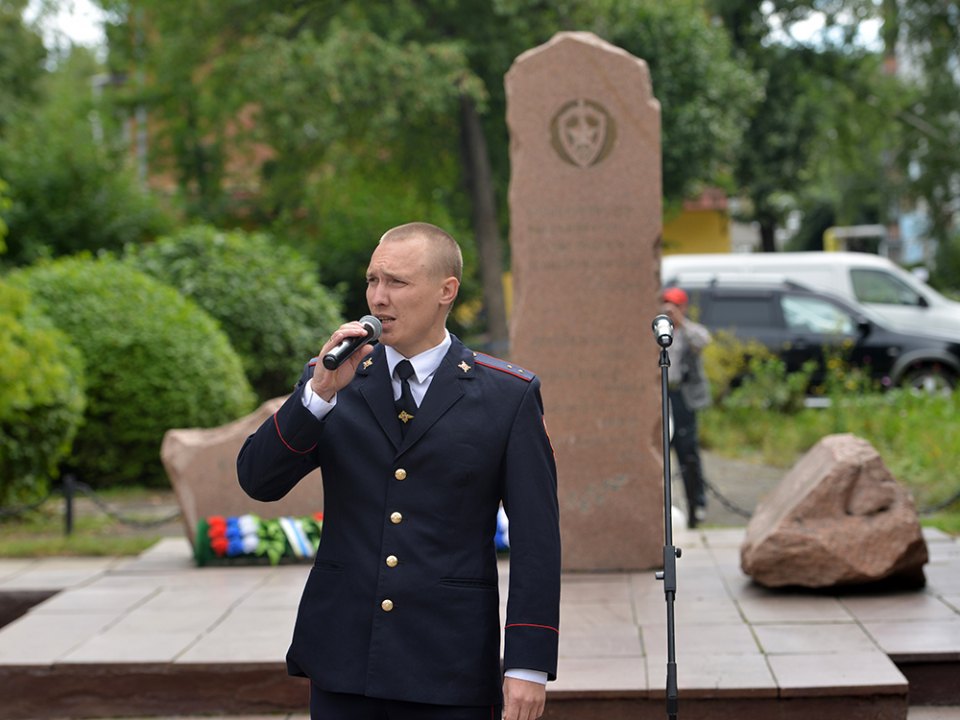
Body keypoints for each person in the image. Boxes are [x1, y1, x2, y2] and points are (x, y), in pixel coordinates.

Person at [237, 222, 561, 720]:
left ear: (445, 291)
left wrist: (528, 665)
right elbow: (258, 481)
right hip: (343, 657)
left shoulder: (506, 396)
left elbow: (538, 538)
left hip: (448, 661)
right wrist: (317, 396)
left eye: (397, 283)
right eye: (373, 281)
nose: (378, 298)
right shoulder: (334, 378)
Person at [662, 286, 712, 529]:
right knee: (661, 448)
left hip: (683, 395)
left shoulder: (689, 330)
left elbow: (703, 341)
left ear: (684, 307)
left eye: (675, 305)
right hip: (661, 394)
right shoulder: (658, 328)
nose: (670, 309)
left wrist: (680, 321)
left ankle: (697, 502)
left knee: (687, 449)